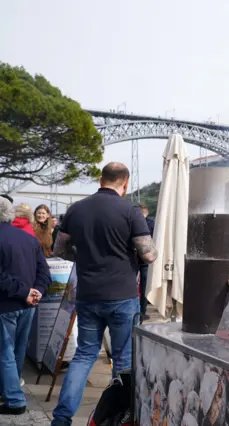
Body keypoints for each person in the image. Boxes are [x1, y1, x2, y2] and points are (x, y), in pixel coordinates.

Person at [51, 162, 158, 425]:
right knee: (123, 359)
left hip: (88, 294)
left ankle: (61, 419)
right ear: (125, 183)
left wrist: (84, 256)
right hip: (122, 294)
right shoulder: (131, 212)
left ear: (100, 180)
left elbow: (59, 249)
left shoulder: (76, 209)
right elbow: (148, 254)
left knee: (85, 355)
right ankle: (116, 418)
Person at [0, 196, 52, 415]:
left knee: (5, 352)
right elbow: (44, 273)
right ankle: (10, 390)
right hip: (28, 304)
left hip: (7, 304)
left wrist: (26, 292)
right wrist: (36, 292)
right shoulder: (28, 239)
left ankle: (14, 398)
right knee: (17, 350)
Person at [137, 203, 155, 320]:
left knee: (135, 286)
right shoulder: (151, 223)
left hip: (133, 259)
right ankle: (142, 312)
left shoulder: (131, 221)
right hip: (145, 260)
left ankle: (138, 311)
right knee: (144, 286)